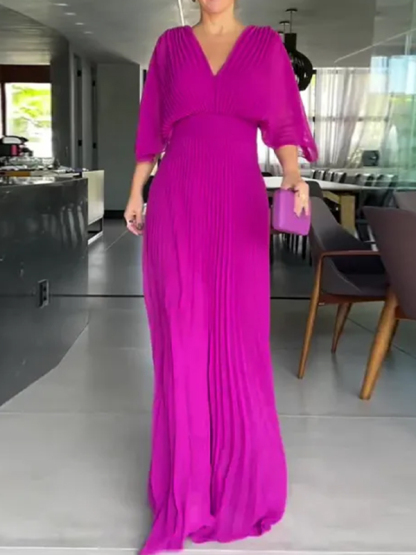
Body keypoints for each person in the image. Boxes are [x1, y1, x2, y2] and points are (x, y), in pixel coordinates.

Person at [124, 0, 318, 553]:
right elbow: (150, 126)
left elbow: (282, 121)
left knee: (239, 342)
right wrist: (136, 190)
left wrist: (293, 174)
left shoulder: (265, 47)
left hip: (238, 202)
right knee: (181, 338)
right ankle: (185, 489)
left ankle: (239, 484)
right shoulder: (170, 46)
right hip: (178, 197)